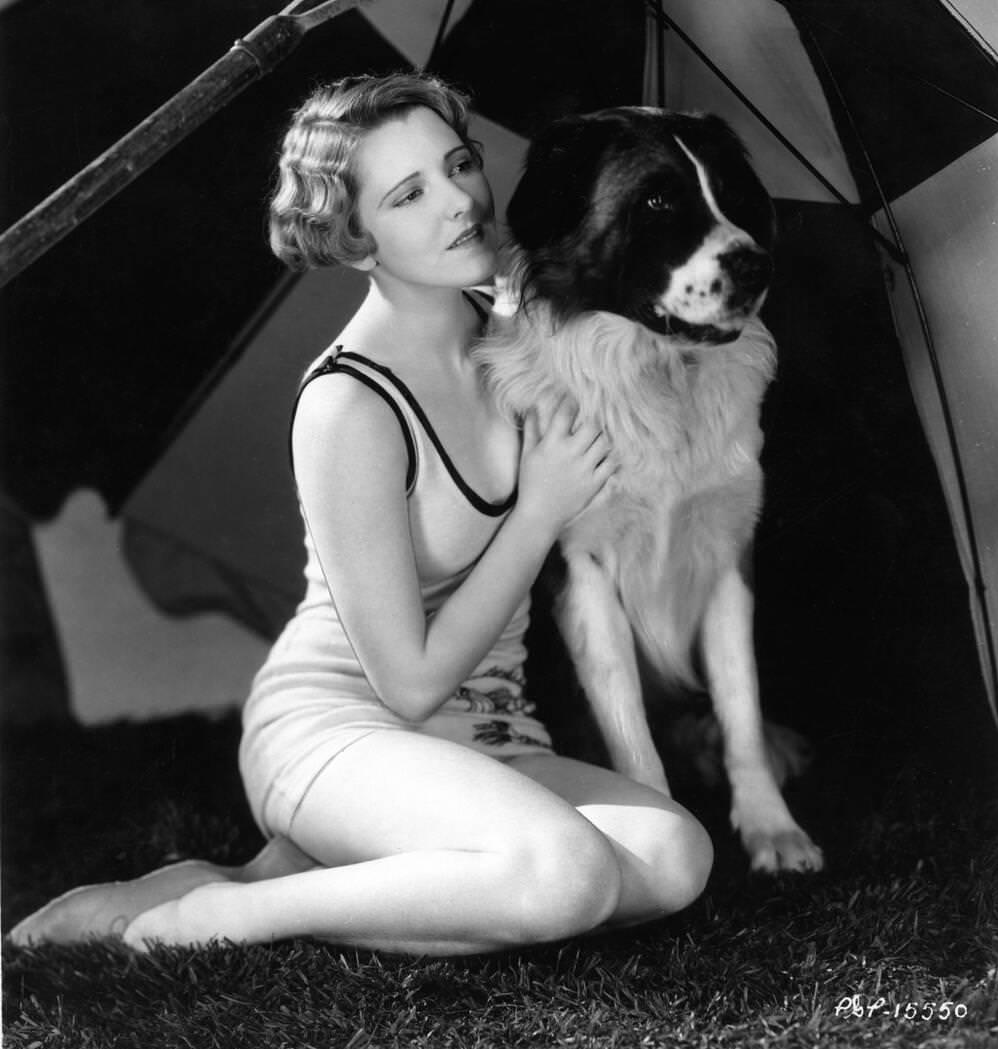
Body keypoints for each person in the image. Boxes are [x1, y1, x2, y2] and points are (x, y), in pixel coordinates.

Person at [9, 72, 712, 955]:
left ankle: (299, 875)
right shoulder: (348, 405)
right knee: (569, 875)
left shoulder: (523, 338)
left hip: (490, 730)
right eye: (410, 194)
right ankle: (218, 917)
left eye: (459, 165)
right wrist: (537, 512)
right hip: (342, 727)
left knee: (677, 857)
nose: (460, 201)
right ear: (354, 236)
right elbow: (408, 682)